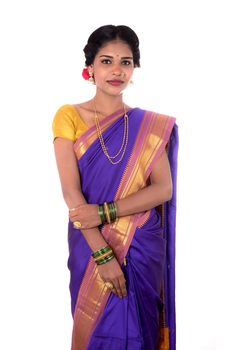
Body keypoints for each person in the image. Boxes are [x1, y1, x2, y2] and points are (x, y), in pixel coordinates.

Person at [52, 24, 178, 350]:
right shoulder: (70, 116)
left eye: (125, 62)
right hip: (90, 245)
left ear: (134, 68)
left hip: (141, 245)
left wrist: (106, 211)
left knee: (140, 333)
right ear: (90, 67)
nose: (116, 70)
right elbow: (71, 194)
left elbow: (163, 189)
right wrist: (103, 254)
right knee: (97, 333)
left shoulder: (149, 126)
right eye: (106, 61)